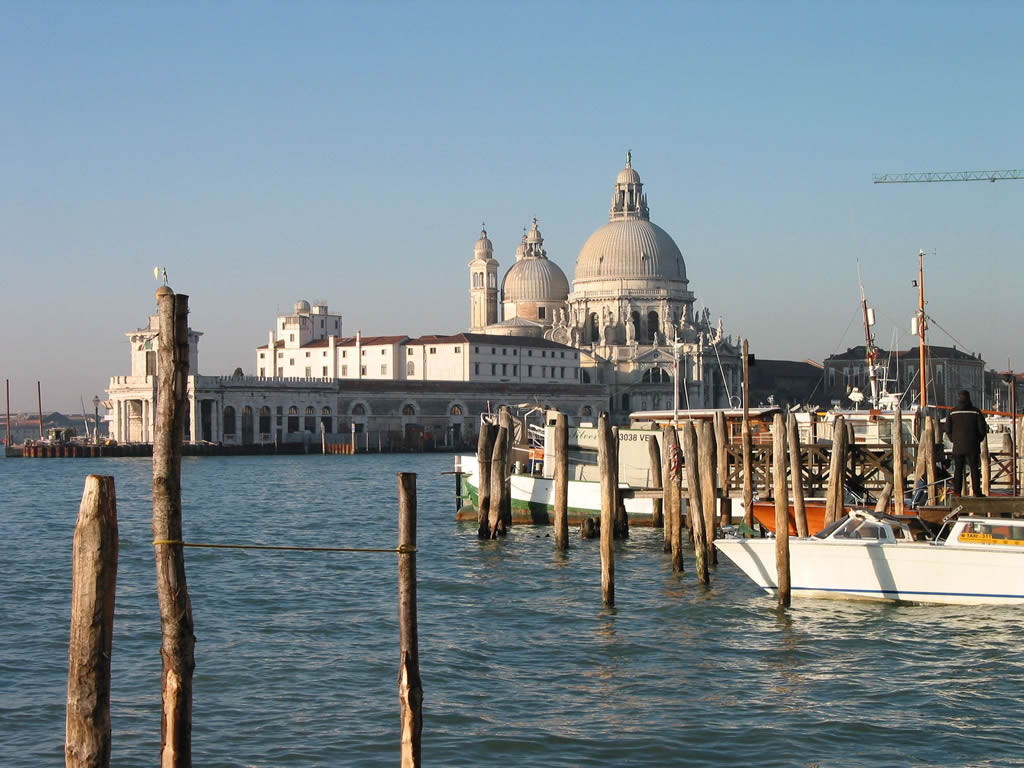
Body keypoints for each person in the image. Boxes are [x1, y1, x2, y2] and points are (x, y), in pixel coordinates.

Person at [943, 390, 987, 497]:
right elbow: (982, 430)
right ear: (969, 398)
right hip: (972, 445)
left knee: (958, 469)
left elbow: (947, 429)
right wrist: (978, 440)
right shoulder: (976, 412)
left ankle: (957, 492)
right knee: (974, 469)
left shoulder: (953, 412)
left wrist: (954, 440)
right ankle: (976, 491)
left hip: (958, 446)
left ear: (959, 398)